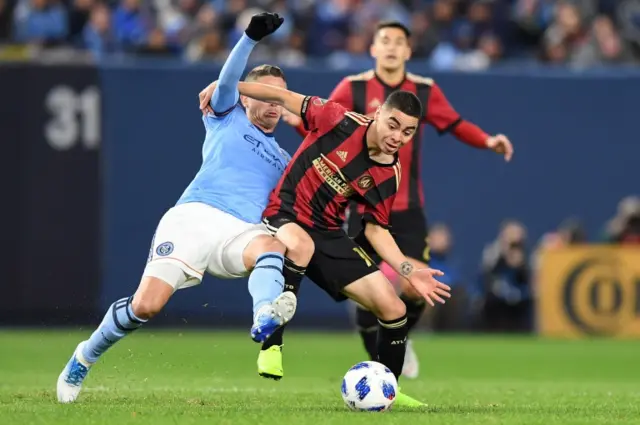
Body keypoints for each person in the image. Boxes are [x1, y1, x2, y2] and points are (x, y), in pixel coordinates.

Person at [56, 13, 314, 404]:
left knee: (272, 246)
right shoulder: (228, 117)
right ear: (246, 97)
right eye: (264, 94)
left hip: (239, 231)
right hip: (194, 218)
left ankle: (264, 314)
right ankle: (83, 356)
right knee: (146, 306)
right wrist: (248, 38)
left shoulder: (285, 159)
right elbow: (225, 82)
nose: (273, 104)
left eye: (280, 97)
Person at [281, 21, 514, 379]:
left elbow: (454, 123)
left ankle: (398, 341)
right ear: (373, 48)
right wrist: (292, 118)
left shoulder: (424, 90)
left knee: (417, 287)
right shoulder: (352, 87)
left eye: (399, 42)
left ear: (408, 50)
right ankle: (381, 370)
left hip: (408, 210)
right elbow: (325, 128)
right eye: (384, 41)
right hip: (362, 207)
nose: (391, 47)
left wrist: (487, 141)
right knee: (367, 297)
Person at [202, 78, 452, 407]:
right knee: (301, 244)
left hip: (329, 234)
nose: (397, 137)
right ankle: (272, 344)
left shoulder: (388, 172)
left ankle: (388, 387)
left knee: (394, 308)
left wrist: (407, 270)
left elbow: (376, 231)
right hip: (285, 215)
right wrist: (229, 84)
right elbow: (280, 95)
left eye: (407, 132)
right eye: (393, 125)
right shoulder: (338, 119)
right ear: (378, 113)